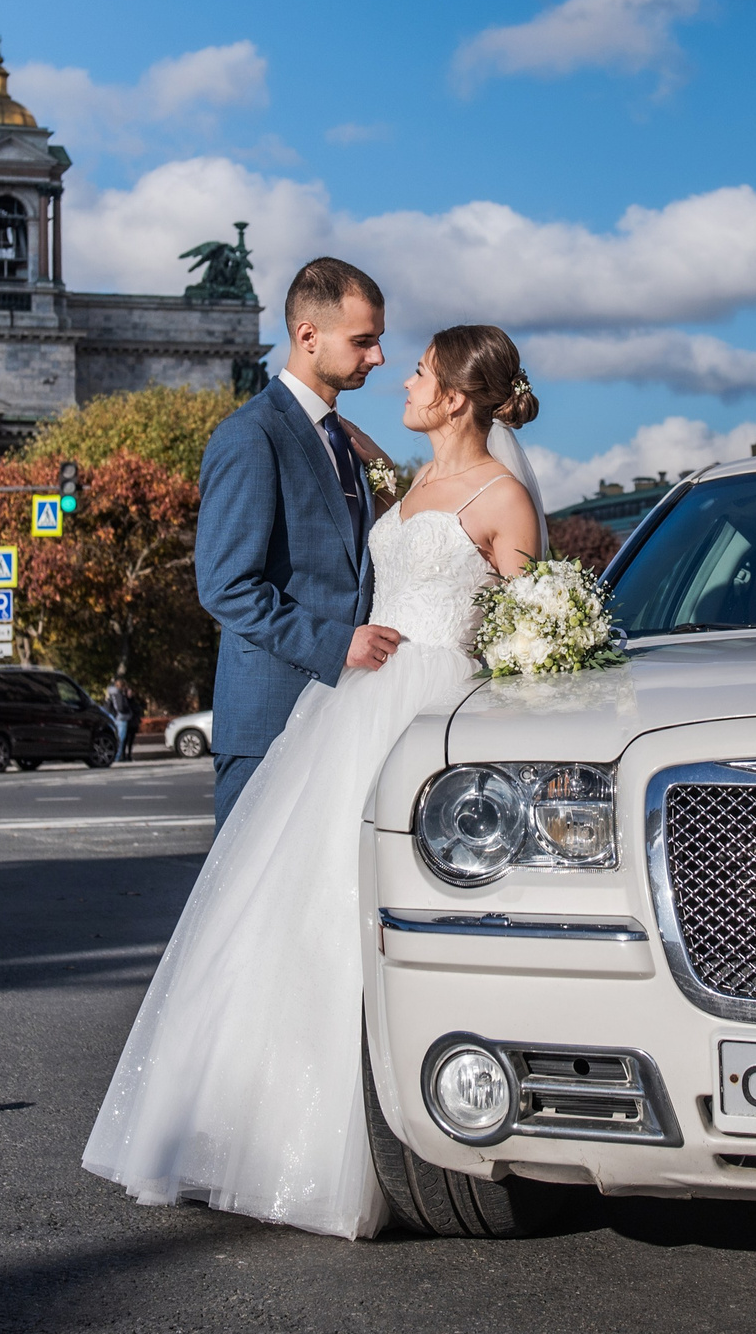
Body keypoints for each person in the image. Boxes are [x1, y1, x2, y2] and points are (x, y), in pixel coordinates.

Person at [84, 318, 545, 1240]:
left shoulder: (502, 496)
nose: (399, 376)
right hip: (355, 702)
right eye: (378, 348)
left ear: (456, 397)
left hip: (428, 704)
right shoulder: (406, 478)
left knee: (368, 911)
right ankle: (260, 1131)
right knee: (297, 909)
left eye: (418, 370)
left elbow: (527, 628)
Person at [180, 258, 400, 827]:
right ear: (308, 336)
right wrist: (338, 644)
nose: (378, 357)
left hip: (343, 718)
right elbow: (226, 587)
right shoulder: (250, 435)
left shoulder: (346, 441)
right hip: (269, 722)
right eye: (363, 341)